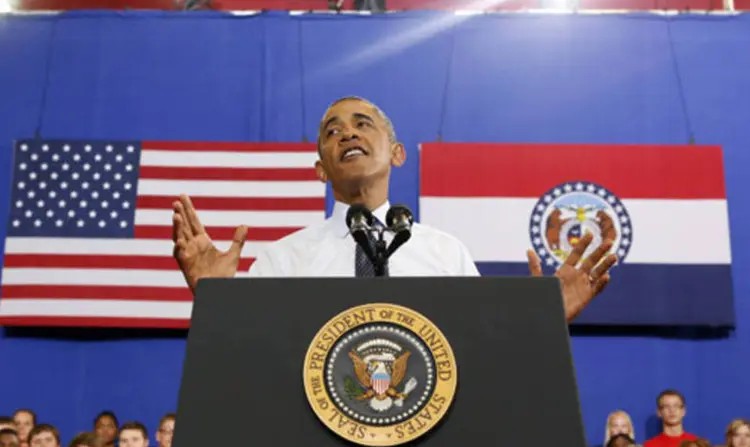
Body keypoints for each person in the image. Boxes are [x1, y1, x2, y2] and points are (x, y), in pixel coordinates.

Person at [171, 96, 616, 323]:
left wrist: (543, 321)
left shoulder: (445, 254)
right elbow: (251, 352)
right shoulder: (282, 260)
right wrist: (217, 301)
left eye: (362, 125)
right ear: (320, 170)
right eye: (333, 132)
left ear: (398, 153)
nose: (347, 134)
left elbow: (485, 349)